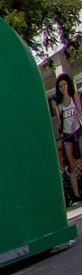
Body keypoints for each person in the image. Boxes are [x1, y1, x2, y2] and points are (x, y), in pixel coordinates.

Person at [53, 74, 81, 203]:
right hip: (67, 135)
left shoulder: (74, 97)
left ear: (68, 84)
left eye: (64, 84)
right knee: (71, 165)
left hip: (78, 130)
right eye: (60, 86)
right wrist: (55, 108)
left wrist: (76, 120)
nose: (63, 87)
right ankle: (76, 195)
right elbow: (59, 122)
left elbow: (80, 111)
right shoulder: (59, 105)